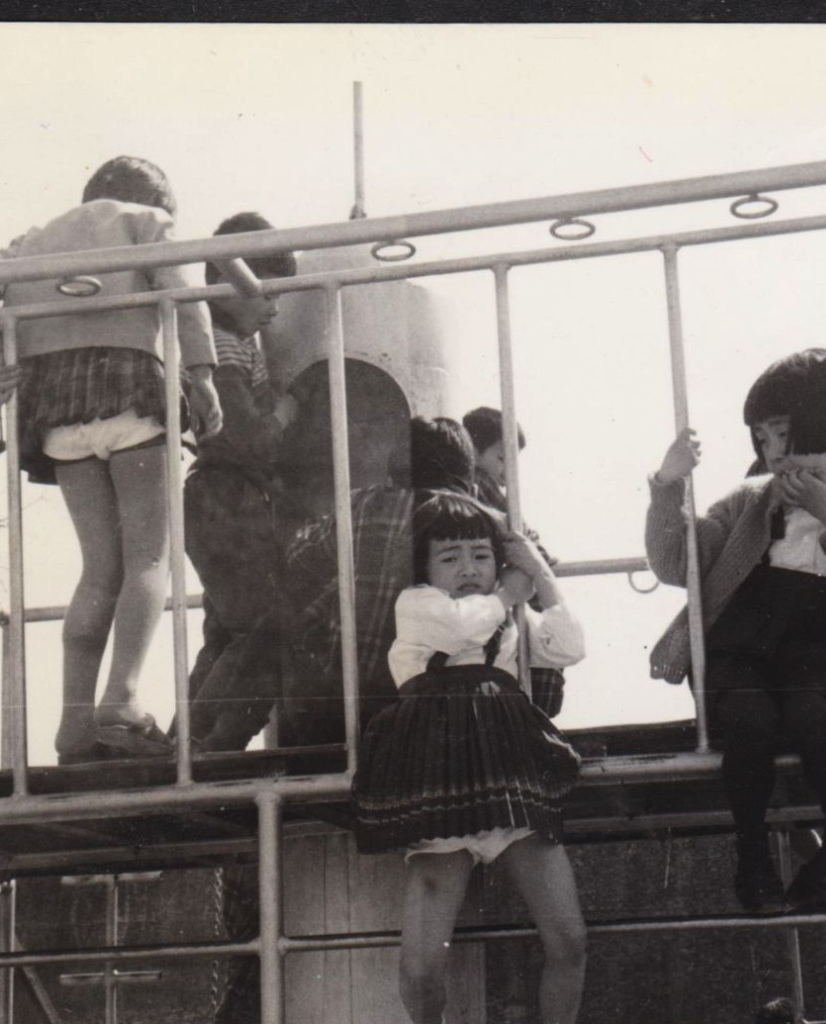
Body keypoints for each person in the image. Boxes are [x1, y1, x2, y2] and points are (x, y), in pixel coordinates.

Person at [645, 348, 826, 913]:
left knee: (811, 717)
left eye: (784, 436)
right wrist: (668, 489)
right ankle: (752, 860)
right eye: (763, 440)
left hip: (817, 659)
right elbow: (678, 563)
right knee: (749, 720)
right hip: (742, 651)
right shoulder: (751, 501)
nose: (775, 456)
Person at [0, 155, 222, 764]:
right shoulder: (148, 221)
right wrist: (203, 375)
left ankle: (74, 724)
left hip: (56, 409)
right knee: (149, 557)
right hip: (129, 388)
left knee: (97, 569)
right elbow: (183, 288)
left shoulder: (37, 238)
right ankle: (122, 699)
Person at [353, 492, 588, 1024]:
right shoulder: (418, 605)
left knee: (569, 940)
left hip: (507, 778)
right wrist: (510, 588)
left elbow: (569, 647)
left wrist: (542, 581)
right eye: (450, 557)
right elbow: (463, 626)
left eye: (481, 556)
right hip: (440, 784)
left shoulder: (508, 618)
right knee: (421, 968)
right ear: (425, 567)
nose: (467, 569)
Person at [278, 416, 482, 745]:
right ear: (468, 484)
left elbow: (299, 557)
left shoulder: (364, 503)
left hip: (346, 713)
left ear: (393, 476)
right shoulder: (479, 519)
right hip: (441, 717)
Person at [181, 212, 300, 753]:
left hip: (221, 497)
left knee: (232, 630)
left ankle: (185, 742)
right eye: (267, 293)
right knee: (272, 628)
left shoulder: (229, 341)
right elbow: (243, 435)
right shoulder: (222, 345)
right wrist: (285, 415)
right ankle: (217, 744)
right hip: (227, 494)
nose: (275, 307)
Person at [462, 406, 565, 718]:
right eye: (501, 458)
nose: (508, 471)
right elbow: (522, 539)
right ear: (472, 452)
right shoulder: (481, 487)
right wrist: (543, 559)